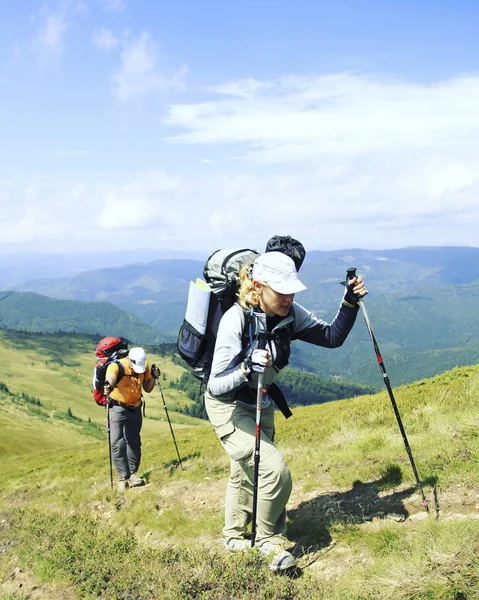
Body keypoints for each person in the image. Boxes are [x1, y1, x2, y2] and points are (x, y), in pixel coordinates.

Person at [205, 251, 367, 571]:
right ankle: (268, 542)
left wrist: (349, 302)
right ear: (259, 285)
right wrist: (245, 370)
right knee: (274, 471)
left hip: (260, 401)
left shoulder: (291, 313)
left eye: (292, 289)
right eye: (281, 290)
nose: (288, 297)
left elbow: (332, 337)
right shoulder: (236, 320)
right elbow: (215, 386)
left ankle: (234, 538)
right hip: (228, 405)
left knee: (246, 472)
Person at [104, 347, 160, 492]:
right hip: (117, 407)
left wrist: (153, 377)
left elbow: (147, 388)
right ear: (129, 359)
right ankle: (122, 478)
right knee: (116, 442)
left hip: (135, 407)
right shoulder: (116, 366)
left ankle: (132, 474)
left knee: (133, 440)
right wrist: (108, 385)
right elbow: (110, 377)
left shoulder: (144, 365)